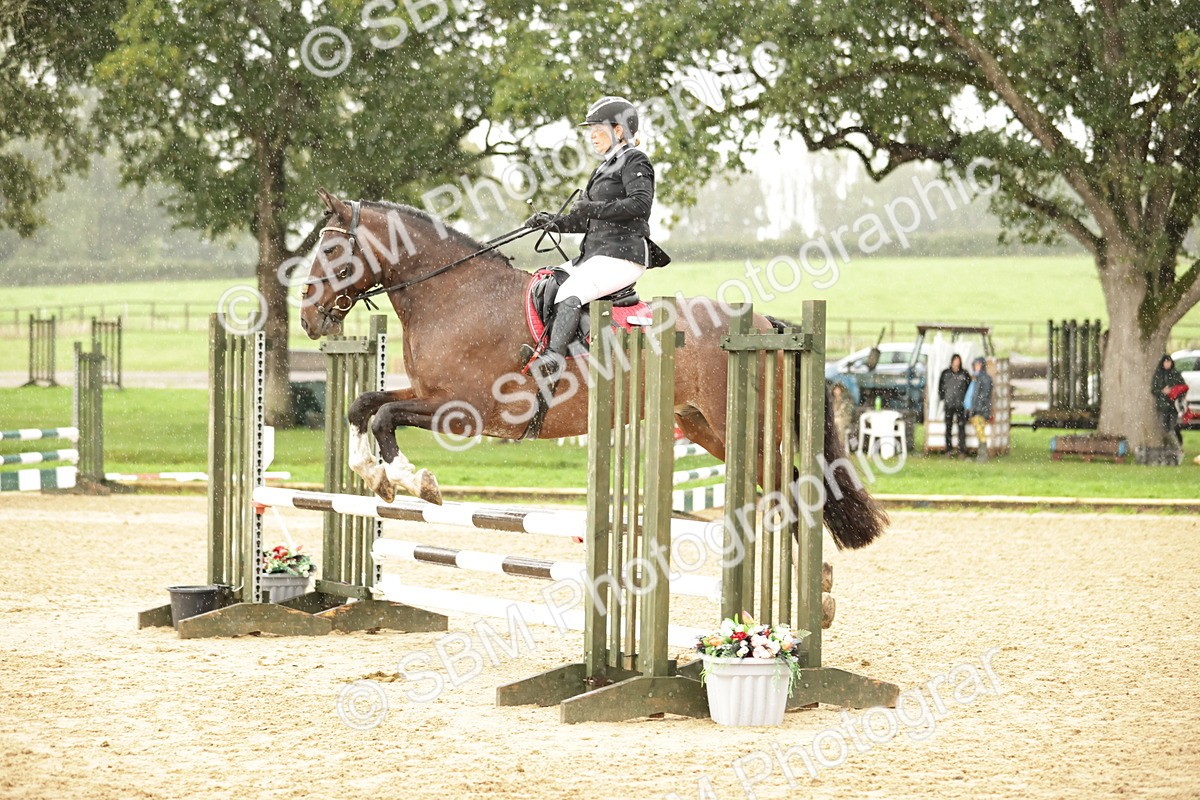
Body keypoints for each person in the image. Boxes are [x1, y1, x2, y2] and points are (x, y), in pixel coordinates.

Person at [523, 96, 669, 379]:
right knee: (547, 285)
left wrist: (594, 208)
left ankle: (554, 360)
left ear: (618, 130)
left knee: (570, 293)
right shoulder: (603, 168)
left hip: (623, 255)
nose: (591, 135)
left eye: (597, 128)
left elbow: (640, 205)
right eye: (589, 129)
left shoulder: (634, 160)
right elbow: (586, 218)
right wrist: (551, 222)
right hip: (595, 255)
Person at [938, 354, 970, 456]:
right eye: (955, 361)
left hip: (960, 404)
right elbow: (940, 387)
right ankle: (948, 448)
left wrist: (965, 400)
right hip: (949, 404)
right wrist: (944, 397)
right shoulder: (945, 373)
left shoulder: (964, 374)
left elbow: (969, 388)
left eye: (958, 361)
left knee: (961, 427)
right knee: (948, 427)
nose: (956, 363)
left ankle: (962, 449)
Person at [1151, 354, 1186, 446]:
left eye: (1169, 362)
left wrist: (1174, 391)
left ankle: (1176, 446)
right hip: (1162, 406)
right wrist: (1162, 391)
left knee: (1173, 427)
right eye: (1166, 362)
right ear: (1162, 363)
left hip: (1173, 406)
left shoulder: (1176, 374)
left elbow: (1183, 387)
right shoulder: (1158, 375)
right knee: (1163, 428)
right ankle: (1168, 446)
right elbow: (1154, 389)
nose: (1167, 364)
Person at [968, 356, 994, 462]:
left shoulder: (985, 378)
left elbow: (984, 396)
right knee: (979, 431)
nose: (976, 367)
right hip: (977, 409)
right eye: (975, 365)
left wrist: (979, 408)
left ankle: (983, 455)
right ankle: (981, 454)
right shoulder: (978, 378)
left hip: (981, 410)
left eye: (978, 365)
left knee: (980, 431)